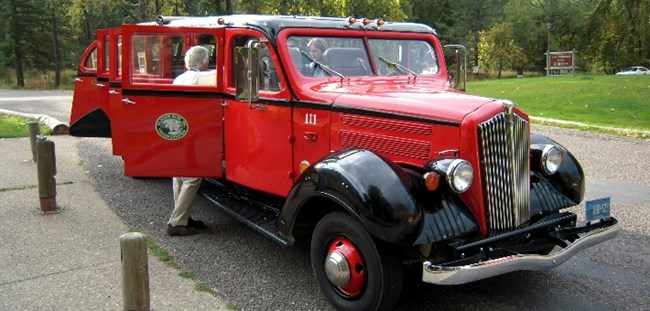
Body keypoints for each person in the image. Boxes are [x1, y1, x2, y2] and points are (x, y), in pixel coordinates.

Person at [167, 45, 210, 236]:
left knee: (178, 174)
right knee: (193, 176)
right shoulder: (202, 78)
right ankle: (177, 221)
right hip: (194, 131)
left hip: (178, 129)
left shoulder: (179, 79)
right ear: (204, 62)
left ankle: (183, 216)